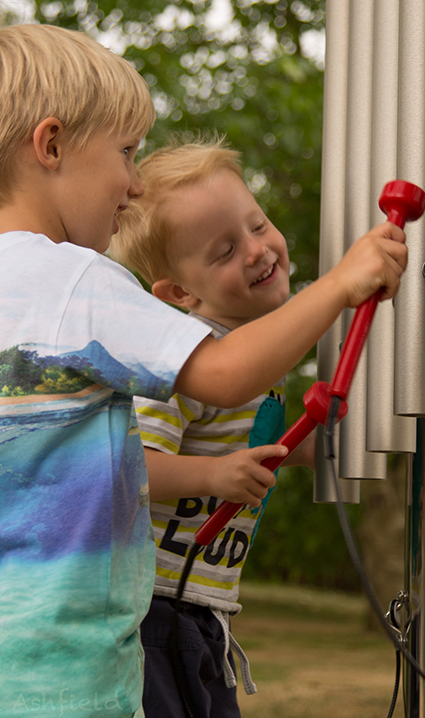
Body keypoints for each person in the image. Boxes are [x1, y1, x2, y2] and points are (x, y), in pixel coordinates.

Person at [0, 23, 407, 718]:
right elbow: (226, 372)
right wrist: (342, 284)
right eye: (125, 152)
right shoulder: (77, 281)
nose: (134, 182)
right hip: (83, 669)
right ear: (50, 146)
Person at [109, 138, 313, 717]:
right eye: (224, 251)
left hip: (203, 611)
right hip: (152, 611)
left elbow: (269, 444)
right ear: (180, 293)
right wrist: (214, 473)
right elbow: (130, 464)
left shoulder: (259, 361)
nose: (256, 251)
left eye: (258, 225)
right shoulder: (182, 364)